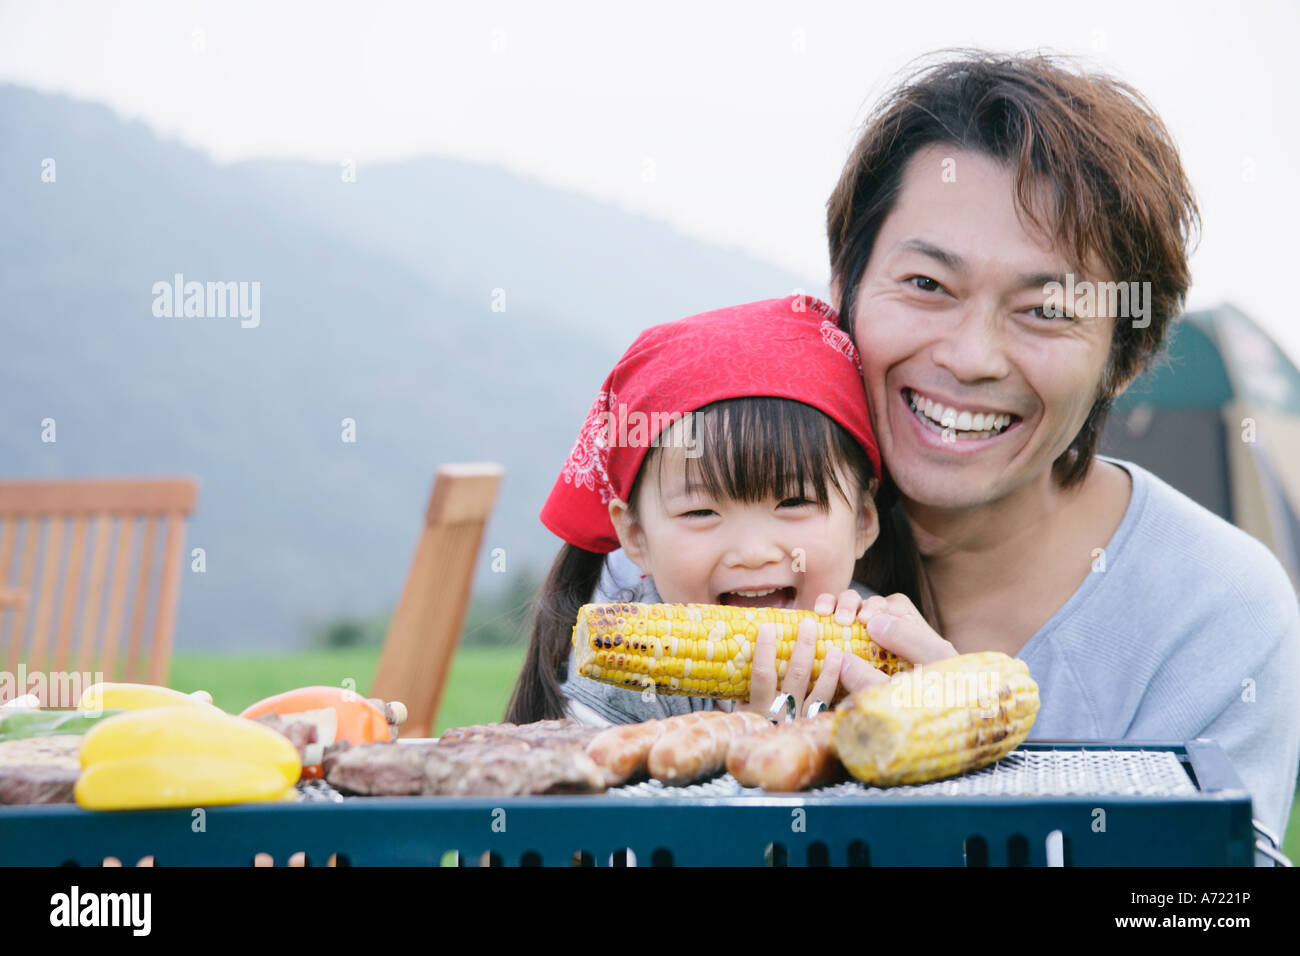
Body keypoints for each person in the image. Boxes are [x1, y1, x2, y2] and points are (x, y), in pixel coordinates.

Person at [598, 49, 1299, 863]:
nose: (972, 357)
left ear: (1124, 355)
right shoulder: (702, 560)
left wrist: (968, 788)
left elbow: (1202, 914)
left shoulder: (1216, 614)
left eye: (1045, 309)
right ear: (846, 288)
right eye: (928, 285)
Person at [505, 294, 935, 726]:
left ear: (862, 519)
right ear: (636, 537)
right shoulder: (622, 689)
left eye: (793, 502)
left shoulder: (891, 647)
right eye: (701, 512)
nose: (752, 553)